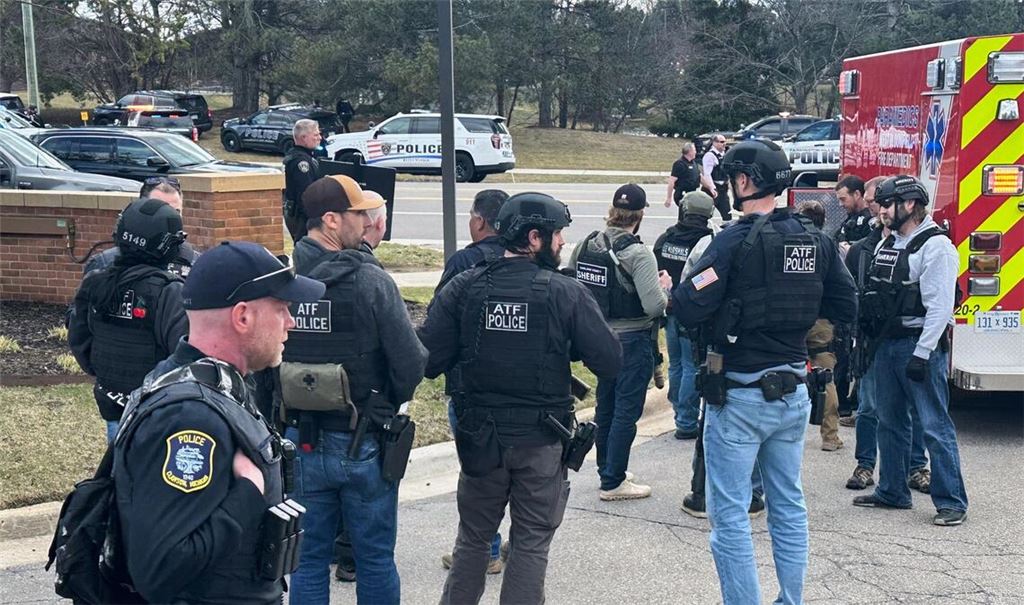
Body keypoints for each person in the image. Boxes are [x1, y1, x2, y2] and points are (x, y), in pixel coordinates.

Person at [673, 139, 857, 604]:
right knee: (789, 506)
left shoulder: (733, 240)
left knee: (731, 515)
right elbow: (846, 303)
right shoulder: (816, 239)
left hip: (739, 393)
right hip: (794, 388)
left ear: (744, 181)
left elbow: (690, 306)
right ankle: (790, 599)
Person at [419, 192, 622, 605]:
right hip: (540, 442)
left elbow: (426, 357)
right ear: (534, 238)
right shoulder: (565, 292)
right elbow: (611, 360)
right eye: (558, 235)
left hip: (481, 439)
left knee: (473, 542)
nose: (563, 242)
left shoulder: (466, 284)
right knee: (530, 545)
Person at [112, 240, 325, 604]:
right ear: (242, 317)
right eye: (282, 308)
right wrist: (248, 493)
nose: (291, 322)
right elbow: (159, 568)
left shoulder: (217, 385)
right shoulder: (188, 419)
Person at [280, 175, 428, 604]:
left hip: (300, 440)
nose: (366, 222)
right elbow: (411, 362)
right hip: (362, 440)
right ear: (330, 220)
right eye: (358, 213)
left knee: (306, 562)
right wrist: (385, 401)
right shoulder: (370, 281)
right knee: (375, 559)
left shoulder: (279, 279)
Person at [851, 175, 968, 526]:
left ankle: (951, 502)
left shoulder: (936, 247)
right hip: (886, 344)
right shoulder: (893, 242)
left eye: (887, 204)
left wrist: (923, 354)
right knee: (890, 422)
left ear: (911, 205)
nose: (882, 211)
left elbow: (939, 308)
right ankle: (892, 491)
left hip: (919, 347)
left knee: (933, 425)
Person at [569, 184, 671, 501]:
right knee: (626, 412)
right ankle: (613, 481)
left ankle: (607, 469)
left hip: (598, 339)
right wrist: (664, 287)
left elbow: (573, 284)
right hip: (633, 340)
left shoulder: (587, 245)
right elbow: (655, 306)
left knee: (606, 407)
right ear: (639, 217)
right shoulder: (638, 254)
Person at [68, 198, 190, 442]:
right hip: (158, 413)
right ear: (166, 245)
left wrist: (108, 377)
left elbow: (79, 341)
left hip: (112, 403)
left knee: (118, 473)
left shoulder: (95, 281)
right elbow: (185, 357)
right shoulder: (169, 292)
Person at [433, 189, 510, 574]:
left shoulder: (464, 261)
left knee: (478, 471)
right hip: (522, 388)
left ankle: (486, 550)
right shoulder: (529, 258)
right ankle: (517, 542)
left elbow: (438, 322)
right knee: (520, 468)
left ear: (479, 221)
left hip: (470, 388)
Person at [653, 190, 716, 439]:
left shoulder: (666, 238)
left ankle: (680, 413)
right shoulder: (708, 242)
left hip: (668, 309)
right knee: (691, 366)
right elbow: (709, 277)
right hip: (691, 311)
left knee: (676, 364)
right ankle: (687, 422)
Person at [796, 200, 843, 451]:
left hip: (790, 320)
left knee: (786, 371)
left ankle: (785, 435)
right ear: (823, 221)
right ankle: (830, 437)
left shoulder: (787, 244)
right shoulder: (828, 247)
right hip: (821, 320)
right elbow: (842, 286)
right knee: (825, 377)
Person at [83, 176, 199, 277]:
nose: (167, 218)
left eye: (175, 212)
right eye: (159, 210)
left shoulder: (196, 264)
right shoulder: (104, 264)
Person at [283, 119, 323, 243]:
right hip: (302, 217)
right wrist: (316, 220)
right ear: (304, 138)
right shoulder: (301, 162)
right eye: (315, 135)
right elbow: (306, 194)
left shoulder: (300, 156)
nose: (319, 138)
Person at [834, 175, 874, 245]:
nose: (841, 204)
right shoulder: (849, 220)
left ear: (857, 194)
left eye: (843, 199)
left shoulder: (870, 220)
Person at [700, 134, 732, 221]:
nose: (724, 144)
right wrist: (712, 188)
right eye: (721, 142)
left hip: (723, 190)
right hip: (712, 190)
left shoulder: (725, 155)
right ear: (714, 143)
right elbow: (707, 174)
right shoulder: (710, 156)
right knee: (704, 215)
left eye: (725, 142)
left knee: (727, 215)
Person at [664, 142, 701, 208]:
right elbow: (671, 181)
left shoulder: (694, 163)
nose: (696, 152)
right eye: (694, 150)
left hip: (693, 193)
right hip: (682, 193)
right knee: (685, 213)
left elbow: (700, 177)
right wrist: (669, 198)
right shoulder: (679, 164)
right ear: (689, 151)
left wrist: (710, 188)